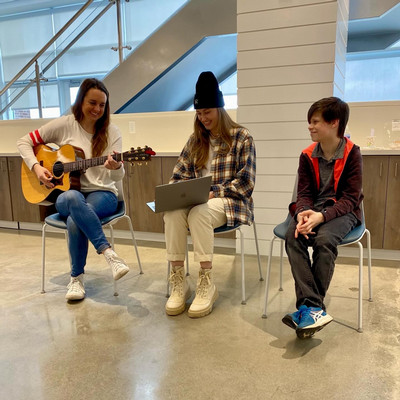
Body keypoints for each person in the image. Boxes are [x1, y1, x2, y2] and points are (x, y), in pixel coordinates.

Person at [17, 78, 130, 301]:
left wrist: (116, 167)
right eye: (92, 103)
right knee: (72, 196)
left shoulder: (112, 132)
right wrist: (38, 168)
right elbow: (24, 141)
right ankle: (108, 252)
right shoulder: (65, 124)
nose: (97, 109)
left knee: (74, 219)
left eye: (102, 105)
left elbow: (117, 176)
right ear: (80, 102)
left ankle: (76, 278)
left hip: (103, 194)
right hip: (67, 196)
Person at [163, 71, 256, 318]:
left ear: (220, 109)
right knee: (172, 211)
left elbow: (246, 183)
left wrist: (214, 192)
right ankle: (178, 281)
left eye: (208, 112)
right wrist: (178, 192)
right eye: (199, 113)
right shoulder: (195, 141)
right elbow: (177, 176)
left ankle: (206, 283)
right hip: (197, 202)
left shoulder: (241, 137)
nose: (203, 118)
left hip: (231, 203)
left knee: (199, 213)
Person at [283, 97, 363, 339]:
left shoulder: (352, 153)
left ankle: (310, 308)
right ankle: (313, 308)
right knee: (293, 235)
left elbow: (350, 198)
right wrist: (302, 214)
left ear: (334, 123)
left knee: (324, 240)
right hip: (313, 209)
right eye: (310, 122)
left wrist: (322, 216)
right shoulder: (307, 155)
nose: (310, 126)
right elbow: (304, 193)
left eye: (315, 121)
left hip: (342, 211)